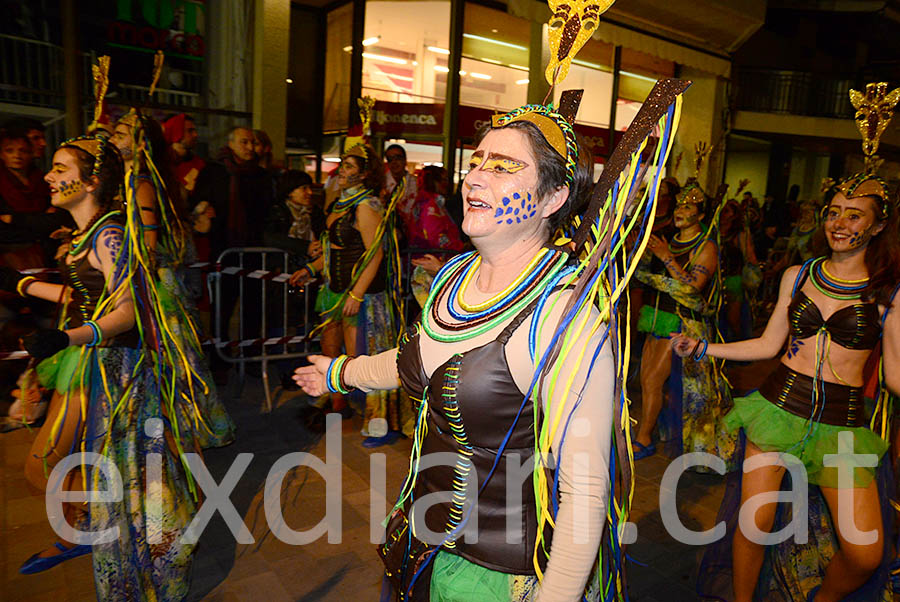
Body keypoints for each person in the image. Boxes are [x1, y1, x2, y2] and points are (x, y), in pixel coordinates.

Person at [0, 134, 206, 599]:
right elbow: (82, 296)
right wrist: (22, 285)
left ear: (91, 181)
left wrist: (65, 337)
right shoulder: (89, 231)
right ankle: (89, 532)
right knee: (70, 467)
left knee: (53, 466)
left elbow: (129, 312)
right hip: (89, 359)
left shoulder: (111, 233)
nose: (49, 177)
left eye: (60, 168)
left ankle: (114, 541)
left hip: (115, 368)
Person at [683, 173, 900, 601]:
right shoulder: (799, 276)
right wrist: (705, 348)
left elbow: (893, 376)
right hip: (778, 410)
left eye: (854, 216)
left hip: (841, 425)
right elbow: (768, 344)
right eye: (833, 212)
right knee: (754, 523)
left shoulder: (887, 293)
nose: (839, 224)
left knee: (864, 553)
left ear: (877, 227)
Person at [111, 108, 235, 448]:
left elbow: (147, 244)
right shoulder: (126, 180)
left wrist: (133, 279)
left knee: (172, 358)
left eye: (120, 135)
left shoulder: (141, 183)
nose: (112, 140)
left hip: (151, 282)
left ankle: (183, 428)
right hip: (142, 278)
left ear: (140, 145)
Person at [290, 141, 412, 446]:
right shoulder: (340, 204)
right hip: (334, 291)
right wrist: (312, 269)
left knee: (368, 361)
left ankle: (382, 424)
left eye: (348, 166)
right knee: (331, 351)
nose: (340, 171)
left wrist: (356, 294)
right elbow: (333, 250)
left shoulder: (367, 205)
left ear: (364, 174)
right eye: (341, 165)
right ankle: (337, 404)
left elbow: (376, 255)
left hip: (365, 296)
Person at [632, 183, 738, 468]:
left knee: (653, 381)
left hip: (684, 324)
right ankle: (656, 429)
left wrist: (665, 258)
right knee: (646, 382)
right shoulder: (667, 238)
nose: (680, 211)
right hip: (656, 317)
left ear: (700, 214)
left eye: (688, 206)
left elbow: (693, 288)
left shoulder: (706, 247)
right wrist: (645, 254)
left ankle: (644, 437)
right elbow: (641, 275)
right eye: (679, 205)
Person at [193, 126, 273, 359]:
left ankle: (249, 356)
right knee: (222, 308)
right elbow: (199, 203)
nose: (249, 147)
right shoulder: (214, 171)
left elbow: (266, 213)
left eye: (252, 142)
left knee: (252, 308)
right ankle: (219, 357)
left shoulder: (261, 176)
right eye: (244, 142)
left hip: (255, 251)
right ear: (231, 144)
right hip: (222, 249)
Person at [401, 165, 465, 308]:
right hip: (428, 264)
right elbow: (434, 236)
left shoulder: (428, 202)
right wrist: (458, 247)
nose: (446, 184)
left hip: (426, 261)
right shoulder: (429, 204)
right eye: (442, 180)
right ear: (433, 181)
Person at [383, 143, 417, 222]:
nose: (394, 162)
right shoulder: (381, 183)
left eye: (398, 158)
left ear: (405, 160)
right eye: (390, 159)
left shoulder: (417, 183)